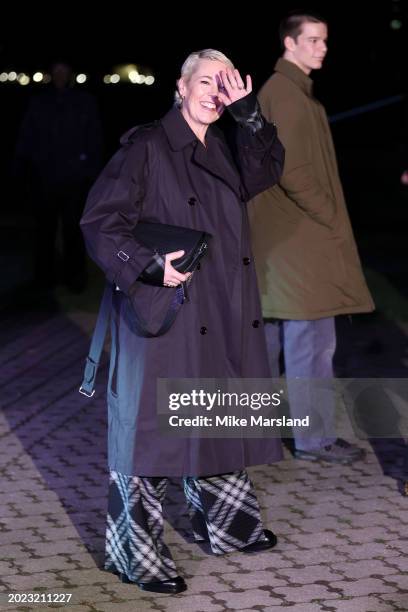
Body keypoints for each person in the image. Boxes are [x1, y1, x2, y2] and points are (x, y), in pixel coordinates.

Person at [80, 49, 285, 594]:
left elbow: (267, 170)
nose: (215, 93)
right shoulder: (147, 144)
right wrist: (148, 266)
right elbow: (100, 222)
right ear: (180, 85)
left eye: (225, 85)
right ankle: (135, 554)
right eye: (207, 83)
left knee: (215, 412)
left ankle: (231, 527)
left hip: (217, 308)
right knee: (148, 433)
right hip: (164, 308)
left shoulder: (222, 144)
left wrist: (248, 113)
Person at [249, 12, 375, 463]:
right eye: (314, 40)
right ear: (289, 43)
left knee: (273, 344)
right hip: (298, 242)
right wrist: (330, 216)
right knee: (312, 343)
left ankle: (258, 440)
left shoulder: (288, 92)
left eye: (325, 40)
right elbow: (293, 168)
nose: (322, 48)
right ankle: (312, 440)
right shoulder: (286, 94)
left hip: (284, 243)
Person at [15, 61, 103, 293]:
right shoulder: (39, 102)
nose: (60, 75)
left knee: (74, 229)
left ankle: (75, 277)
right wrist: (24, 167)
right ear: (51, 74)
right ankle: (43, 279)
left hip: (75, 179)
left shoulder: (84, 101)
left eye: (64, 71)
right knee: (44, 230)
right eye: (56, 71)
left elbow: (94, 138)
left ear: (70, 73)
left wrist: (90, 171)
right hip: (45, 178)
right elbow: (26, 137)